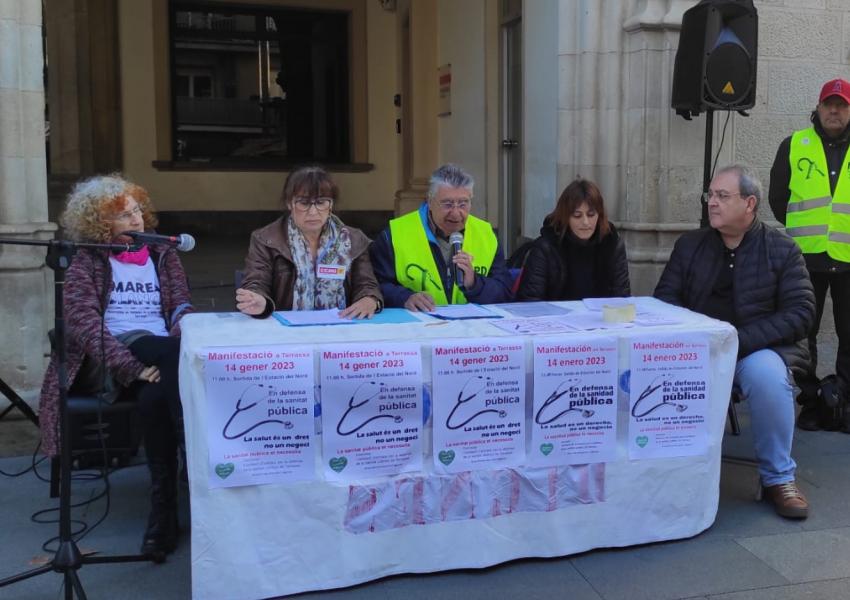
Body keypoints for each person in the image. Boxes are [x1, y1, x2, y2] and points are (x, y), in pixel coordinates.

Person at [38, 174, 193, 558]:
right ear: (99, 223)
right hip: (104, 359)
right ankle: (192, 460)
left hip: (158, 357)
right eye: (123, 216)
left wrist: (180, 329)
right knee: (172, 358)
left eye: (137, 211)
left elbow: (180, 307)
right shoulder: (85, 259)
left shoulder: (162, 252)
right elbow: (85, 326)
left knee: (157, 393)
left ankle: (163, 511)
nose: (136, 221)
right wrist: (130, 366)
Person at [655, 164, 815, 519]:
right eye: (710, 195)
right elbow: (664, 301)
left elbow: (801, 312)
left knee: (768, 377)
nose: (712, 202)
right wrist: (695, 340)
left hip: (754, 351)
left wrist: (737, 341)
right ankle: (665, 470)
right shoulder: (690, 245)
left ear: (750, 203)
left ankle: (778, 478)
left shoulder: (782, 249)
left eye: (722, 196)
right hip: (697, 348)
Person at [768, 78, 850, 432]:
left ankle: (844, 403)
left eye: (842, 105)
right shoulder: (794, 145)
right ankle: (812, 401)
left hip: (849, 260)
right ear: (817, 108)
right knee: (804, 334)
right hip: (805, 260)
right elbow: (776, 197)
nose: (834, 110)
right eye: (829, 104)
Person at [236, 166, 382, 318]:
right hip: (285, 331)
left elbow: (367, 285)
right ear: (289, 203)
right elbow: (256, 282)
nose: (313, 212)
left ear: (331, 204)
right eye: (304, 203)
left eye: (321, 202)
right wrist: (260, 302)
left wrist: (370, 299)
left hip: (340, 327)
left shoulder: (353, 240)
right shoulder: (265, 239)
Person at [370, 163, 513, 310]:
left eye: (463, 204)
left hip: (472, 325)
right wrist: (404, 297)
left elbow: (505, 293)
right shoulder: (395, 233)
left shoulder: (486, 234)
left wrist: (474, 283)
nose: (456, 213)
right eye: (447, 204)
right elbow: (374, 285)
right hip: (417, 324)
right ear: (430, 202)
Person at [516, 178, 630, 301]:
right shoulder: (546, 248)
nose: (585, 222)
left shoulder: (612, 244)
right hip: (554, 317)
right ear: (565, 216)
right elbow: (529, 302)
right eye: (577, 215)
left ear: (600, 215)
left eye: (591, 215)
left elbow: (622, 299)